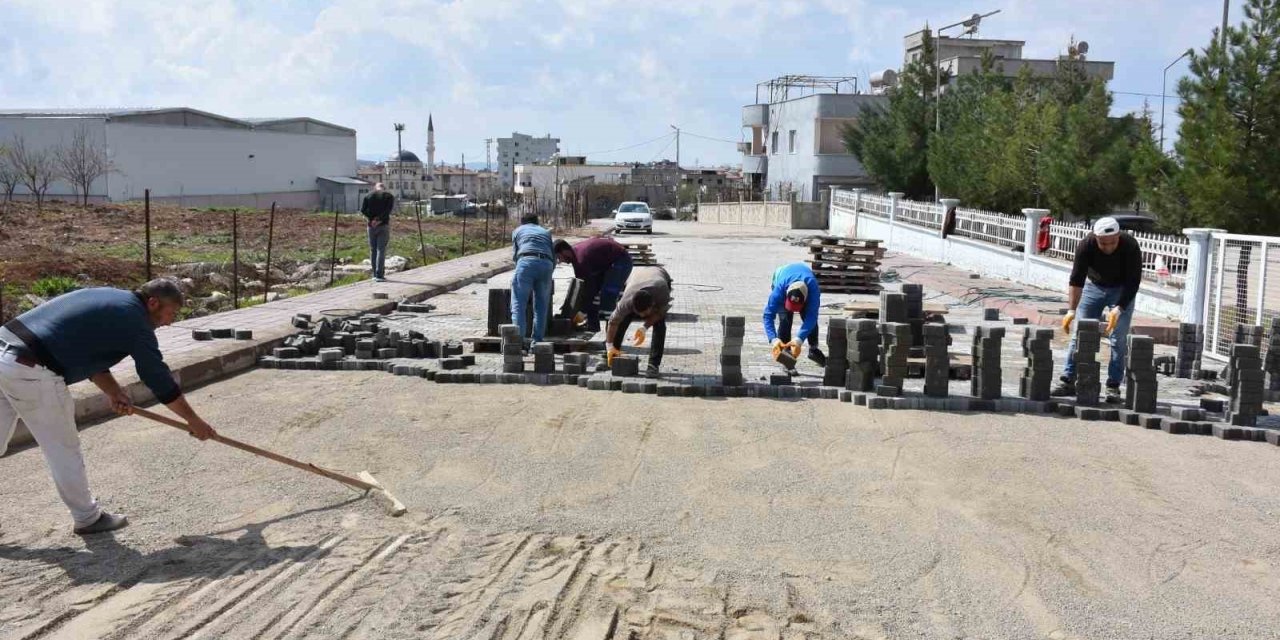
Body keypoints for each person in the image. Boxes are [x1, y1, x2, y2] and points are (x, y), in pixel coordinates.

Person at [0, 279, 217, 535]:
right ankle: (87, 517)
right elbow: (156, 376)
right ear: (153, 302)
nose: (169, 322)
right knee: (62, 447)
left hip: (5, 350)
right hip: (29, 368)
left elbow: (83, 348)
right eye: (171, 313)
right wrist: (193, 420)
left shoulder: (110, 299)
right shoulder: (136, 321)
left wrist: (113, 391)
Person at [1052, 216, 1143, 402]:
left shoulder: (1130, 245)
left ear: (1118, 236)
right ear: (1096, 238)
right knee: (1079, 334)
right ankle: (1068, 380)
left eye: (1112, 242)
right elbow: (1076, 279)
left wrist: (1119, 308)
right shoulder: (1086, 245)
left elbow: (1134, 282)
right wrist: (1071, 310)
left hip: (1121, 290)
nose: (1108, 247)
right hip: (1094, 287)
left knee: (1118, 339)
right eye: (1103, 243)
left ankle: (1113, 386)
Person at [553, 237, 633, 330]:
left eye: (559, 257)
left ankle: (612, 332)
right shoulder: (576, 256)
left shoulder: (581, 260)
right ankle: (593, 326)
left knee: (608, 294)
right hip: (606, 262)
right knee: (594, 294)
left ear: (565, 251)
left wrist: (582, 311)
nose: (560, 261)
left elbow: (588, 289)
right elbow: (586, 287)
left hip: (621, 260)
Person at [607, 266, 673, 377]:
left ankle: (653, 365)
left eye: (645, 314)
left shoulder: (662, 292)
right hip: (635, 277)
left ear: (652, 305)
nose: (642, 317)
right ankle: (611, 355)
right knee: (623, 320)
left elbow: (660, 313)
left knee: (660, 325)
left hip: (659, 276)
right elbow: (613, 322)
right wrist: (609, 346)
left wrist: (644, 327)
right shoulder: (626, 302)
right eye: (639, 313)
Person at [763, 262, 825, 367]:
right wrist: (773, 339)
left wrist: (799, 339)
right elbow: (768, 315)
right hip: (782, 277)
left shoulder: (813, 291)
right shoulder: (779, 291)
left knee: (809, 318)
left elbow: (812, 317)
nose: (794, 310)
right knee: (785, 320)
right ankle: (785, 355)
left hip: (804, 281)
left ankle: (813, 349)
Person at [510, 214, 555, 345]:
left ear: (522, 222)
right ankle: (537, 342)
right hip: (546, 264)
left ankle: (518, 343)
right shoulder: (545, 232)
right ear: (537, 222)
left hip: (526, 261)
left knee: (519, 303)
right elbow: (553, 255)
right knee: (541, 305)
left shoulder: (518, 231)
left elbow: (515, 255)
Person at [360, 182, 395, 282]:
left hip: (371, 226)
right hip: (383, 225)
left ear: (375, 188)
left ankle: (375, 274)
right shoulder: (389, 196)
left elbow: (363, 210)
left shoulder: (368, 196)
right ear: (384, 188)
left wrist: (372, 219)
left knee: (373, 250)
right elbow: (388, 211)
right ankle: (380, 275)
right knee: (381, 249)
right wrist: (378, 219)